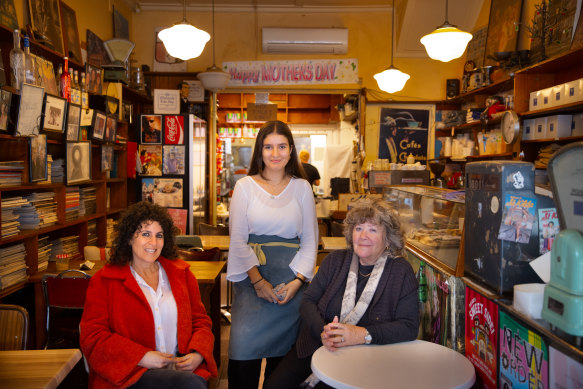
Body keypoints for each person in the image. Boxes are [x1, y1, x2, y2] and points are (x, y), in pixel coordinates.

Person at [264, 198, 419, 389]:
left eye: (373, 230)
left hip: (367, 357)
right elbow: (308, 301)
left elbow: (409, 327)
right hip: (316, 343)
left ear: (388, 239)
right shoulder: (335, 260)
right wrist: (324, 333)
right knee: (274, 385)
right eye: (358, 228)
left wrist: (362, 334)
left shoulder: (400, 271)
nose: (363, 235)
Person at [80, 201, 217, 389]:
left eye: (159, 235)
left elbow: (201, 322)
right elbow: (93, 337)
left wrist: (198, 354)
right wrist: (142, 357)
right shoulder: (105, 281)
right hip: (130, 373)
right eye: (145, 234)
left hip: (180, 369)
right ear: (129, 238)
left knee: (191, 383)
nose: (153, 242)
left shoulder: (182, 274)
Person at [227, 120, 318, 389]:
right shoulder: (244, 187)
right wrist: (258, 282)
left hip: (290, 289)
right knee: (242, 363)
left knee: (282, 375)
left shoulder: (302, 187)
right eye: (268, 147)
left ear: (291, 150)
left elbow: (311, 241)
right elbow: (238, 240)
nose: (275, 153)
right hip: (251, 285)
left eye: (281, 146)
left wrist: (297, 282)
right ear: (260, 151)